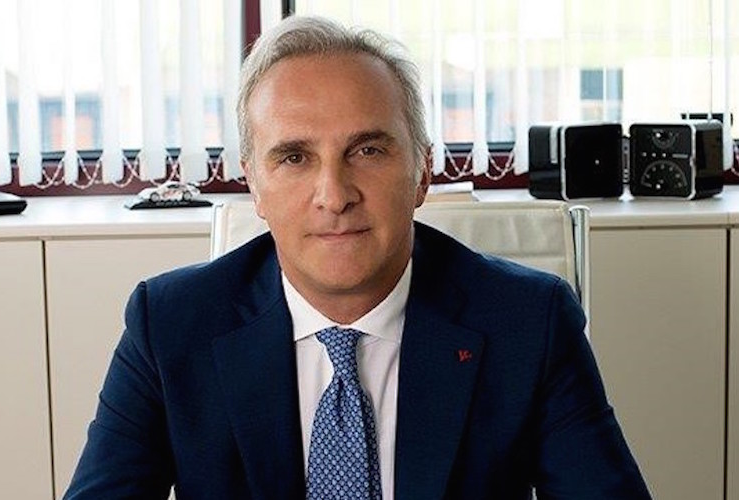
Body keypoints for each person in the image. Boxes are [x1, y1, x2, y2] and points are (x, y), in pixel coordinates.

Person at [64, 15, 651, 500]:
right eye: (294, 157)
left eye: (367, 150)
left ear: (422, 172)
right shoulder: (169, 325)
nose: (334, 195)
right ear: (255, 186)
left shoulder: (529, 322)